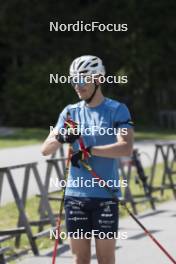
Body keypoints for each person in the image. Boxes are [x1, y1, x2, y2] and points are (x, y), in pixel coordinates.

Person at [41, 55, 134, 264]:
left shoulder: (117, 110)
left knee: (105, 259)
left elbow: (125, 147)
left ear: (99, 79)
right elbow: (45, 150)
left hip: (105, 197)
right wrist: (61, 137)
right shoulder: (70, 112)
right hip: (75, 197)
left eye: (82, 80)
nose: (77, 85)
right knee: (80, 259)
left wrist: (89, 152)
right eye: (74, 80)